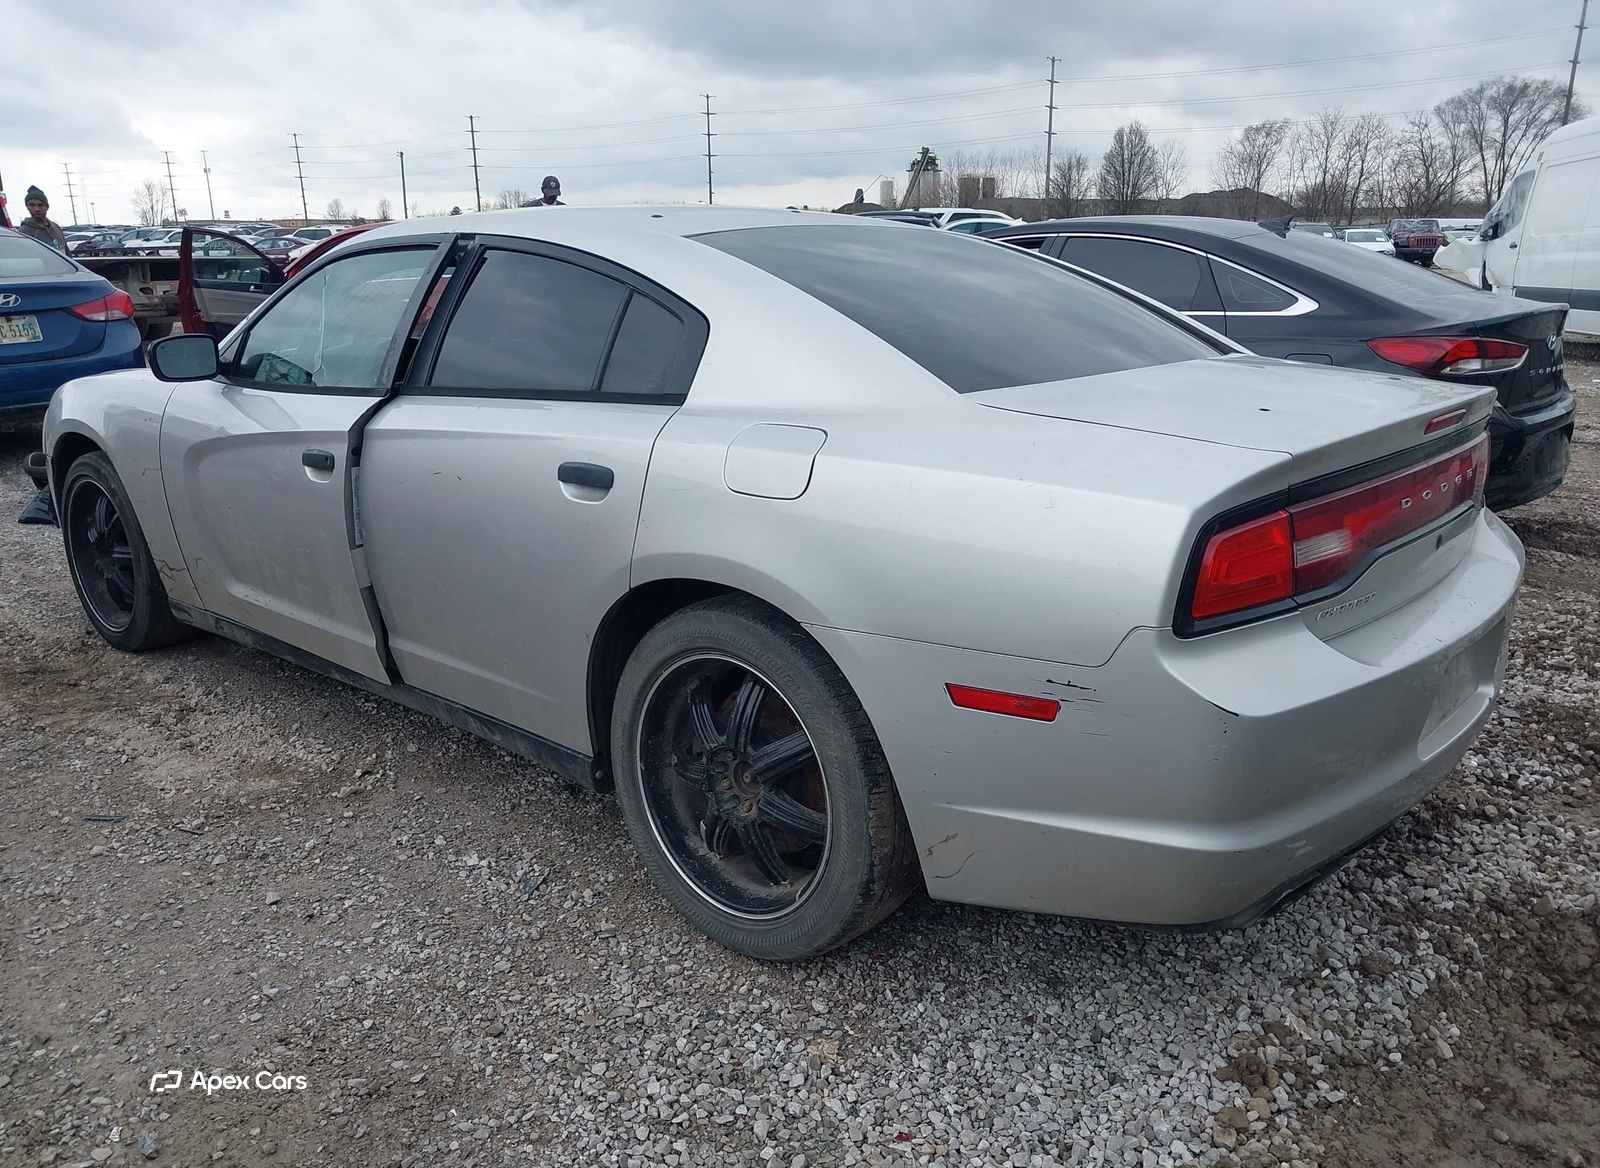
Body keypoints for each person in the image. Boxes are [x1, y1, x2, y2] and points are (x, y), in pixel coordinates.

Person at [16, 186, 69, 251]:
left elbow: (67, 253)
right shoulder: (25, 232)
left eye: (40, 205)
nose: (36, 209)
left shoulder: (56, 228)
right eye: (32, 205)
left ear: (47, 207)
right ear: (27, 207)